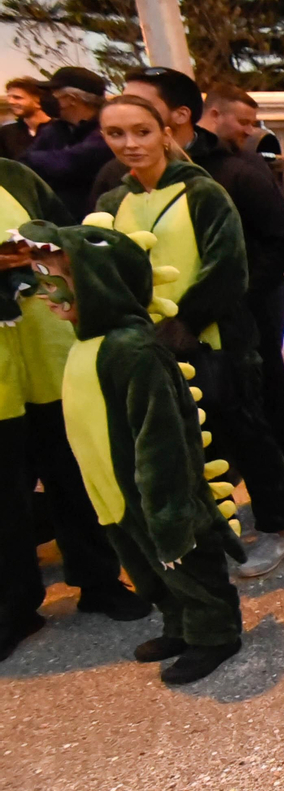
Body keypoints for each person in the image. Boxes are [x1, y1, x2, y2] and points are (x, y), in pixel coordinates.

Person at [94, 68, 284, 538]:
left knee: (251, 418)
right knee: (180, 438)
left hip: (225, 329)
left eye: (142, 126)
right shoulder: (112, 191)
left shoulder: (219, 180)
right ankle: (211, 527)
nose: (129, 141)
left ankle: (281, 515)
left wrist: (192, 318)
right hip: (151, 342)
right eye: (115, 131)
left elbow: (250, 256)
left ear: (169, 124)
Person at [19, 216, 247, 685]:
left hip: (155, 494)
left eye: (60, 282)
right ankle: (179, 625)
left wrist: (168, 509)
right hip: (113, 492)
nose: (49, 294)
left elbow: (160, 433)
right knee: (147, 569)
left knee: (187, 566)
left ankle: (214, 633)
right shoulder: (89, 345)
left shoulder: (134, 351)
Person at [0, 160, 151, 662]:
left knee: (77, 475)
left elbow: (71, 240)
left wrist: (32, 253)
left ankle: (99, 581)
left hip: (51, 356)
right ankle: (13, 605)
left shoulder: (15, 176)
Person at [20, 67, 114, 220]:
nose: (47, 99)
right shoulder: (56, 128)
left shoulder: (108, 127)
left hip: (93, 220)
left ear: (72, 99)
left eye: (53, 93)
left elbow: (70, 164)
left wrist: (44, 161)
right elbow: (23, 163)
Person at [2, 78, 54, 159]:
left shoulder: (59, 131)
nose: (10, 101)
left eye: (17, 97)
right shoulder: (6, 132)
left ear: (39, 102)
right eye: (9, 97)